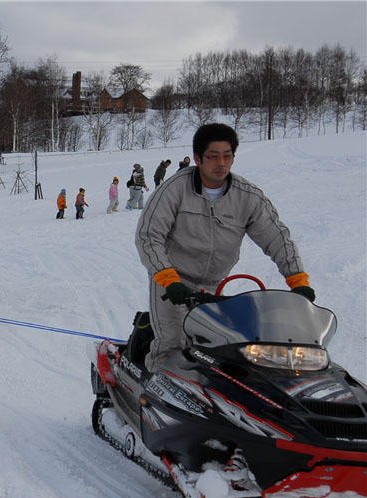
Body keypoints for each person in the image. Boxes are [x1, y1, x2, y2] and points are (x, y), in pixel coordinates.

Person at [135, 123, 315, 373]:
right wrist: (167, 278)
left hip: (214, 285)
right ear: (198, 158)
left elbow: (277, 238)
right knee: (172, 342)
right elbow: (148, 236)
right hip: (172, 281)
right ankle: (152, 400)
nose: (221, 163)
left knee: (222, 348)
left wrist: (298, 280)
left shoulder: (248, 197)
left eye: (227, 156)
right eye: (213, 156)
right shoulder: (173, 190)